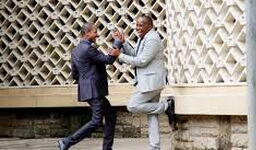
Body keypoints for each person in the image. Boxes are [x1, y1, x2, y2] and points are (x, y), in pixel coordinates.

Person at [113, 14, 176, 150]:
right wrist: (123, 43)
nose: (137, 28)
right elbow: (136, 55)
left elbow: (142, 61)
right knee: (152, 114)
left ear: (150, 25)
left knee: (133, 105)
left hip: (151, 82)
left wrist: (120, 55)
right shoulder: (145, 37)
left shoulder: (152, 39)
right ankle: (154, 146)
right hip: (149, 81)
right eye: (136, 25)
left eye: (140, 25)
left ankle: (166, 106)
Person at [57, 22, 120, 150]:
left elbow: (75, 73)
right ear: (86, 33)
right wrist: (117, 43)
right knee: (96, 120)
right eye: (95, 32)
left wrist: (85, 84)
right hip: (94, 90)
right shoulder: (88, 49)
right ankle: (67, 142)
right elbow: (108, 60)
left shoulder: (75, 50)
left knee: (111, 115)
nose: (97, 34)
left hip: (89, 90)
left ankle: (107, 148)